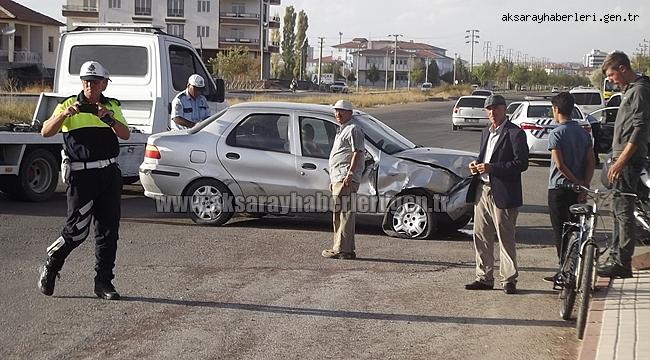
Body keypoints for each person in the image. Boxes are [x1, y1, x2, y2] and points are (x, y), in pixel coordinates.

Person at [38, 60, 130, 300]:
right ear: (82, 83)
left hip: (109, 174)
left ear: (104, 84)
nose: (90, 86)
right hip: (82, 176)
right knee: (76, 232)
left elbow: (125, 133)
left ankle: (103, 283)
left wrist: (108, 118)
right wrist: (64, 116)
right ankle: (52, 263)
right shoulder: (68, 104)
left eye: (95, 82)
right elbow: (45, 131)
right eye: (87, 82)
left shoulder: (111, 106)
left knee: (108, 231)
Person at [464, 94, 529, 294]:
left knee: (505, 236)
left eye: (496, 108)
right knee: (481, 235)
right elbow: (484, 157)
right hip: (482, 189)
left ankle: (509, 279)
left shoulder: (515, 133)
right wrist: (476, 165)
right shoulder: (486, 132)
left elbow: (521, 164)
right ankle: (484, 277)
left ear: (505, 109)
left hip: (504, 192)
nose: (492, 113)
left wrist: (493, 168)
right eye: (489, 109)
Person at [598, 51, 650, 278]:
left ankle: (622, 263)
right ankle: (616, 257)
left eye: (611, 75)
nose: (610, 80)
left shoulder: (639, 90)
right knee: (618, 210)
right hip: (621, 158)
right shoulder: (630, 89)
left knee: (624, 211)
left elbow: (639, 130)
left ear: (622, 68)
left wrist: (621, 160)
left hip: (628, 160)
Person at [545, 92, 595, 282]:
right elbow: (591, 162)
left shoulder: (556, 133)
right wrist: (584, 186)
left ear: (556, 109)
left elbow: (559, 165)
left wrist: (574, 181)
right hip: (578, 192)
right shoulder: (584, 134)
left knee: (561, 233)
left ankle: (563, 272)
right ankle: (575, 270)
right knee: (577, 231)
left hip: (558, 189)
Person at [322, 100, 365, 260]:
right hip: (339, 178)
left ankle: (344, 250)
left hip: (345, 178)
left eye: (342, 111)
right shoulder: (343, 130)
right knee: (339, 214)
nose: (338, 114)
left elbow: (357, 152)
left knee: (345, 214)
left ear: (350, 113)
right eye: (336, 111)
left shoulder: (353, 129)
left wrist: (350, 174)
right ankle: (341, 248)